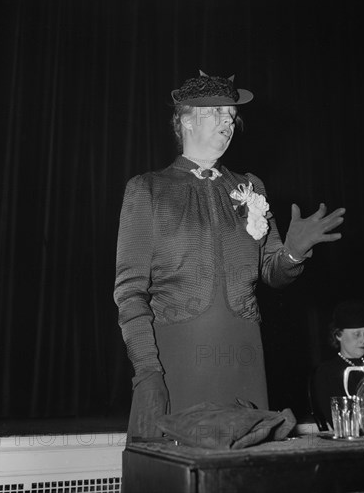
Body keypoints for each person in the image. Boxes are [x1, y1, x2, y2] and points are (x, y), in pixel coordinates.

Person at [114, 71, 346, 443]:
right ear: (185, 119)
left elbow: (272, 271)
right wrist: (147, 372)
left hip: (243, 360)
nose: (228, 121)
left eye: (231, 114)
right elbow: (129, 293)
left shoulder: (250, 187)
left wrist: (292, 252)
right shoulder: (148, 190)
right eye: (216, 112)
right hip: (177, 365)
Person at [310, 299, 364, 430]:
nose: (363, 340)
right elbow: (337, 422)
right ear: (338, 335)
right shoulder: (326, 372)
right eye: (356, 334)